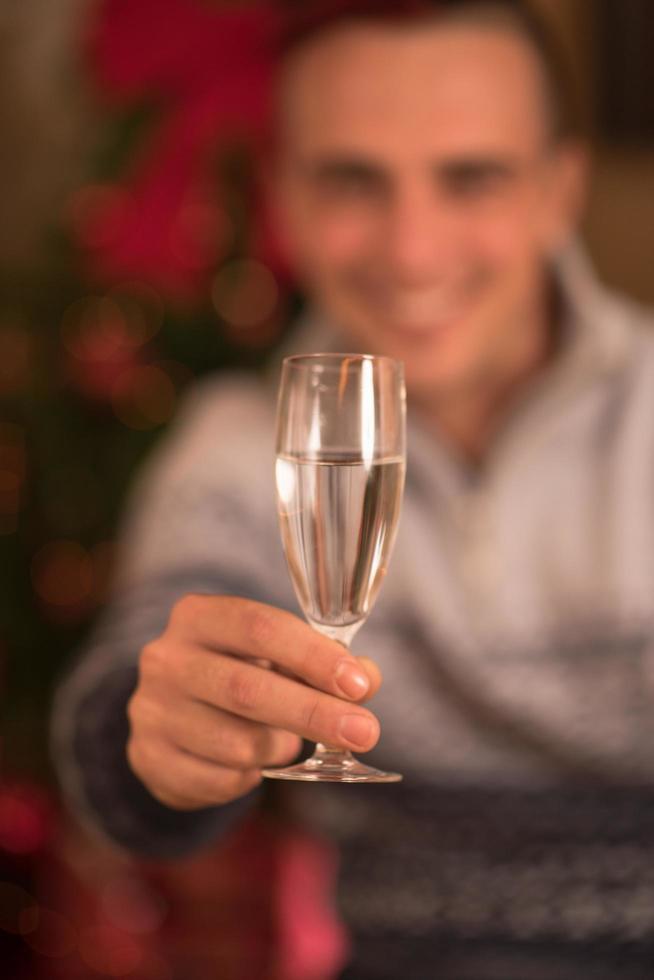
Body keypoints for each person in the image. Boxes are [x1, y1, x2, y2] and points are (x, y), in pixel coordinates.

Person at [52, 1, 654, 977]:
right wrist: (160, 736)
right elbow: (134, 681)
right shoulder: (234, 446)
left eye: (472, 178)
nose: (413, 248)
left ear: (559, 190)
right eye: (352, 181)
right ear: (283, 197)